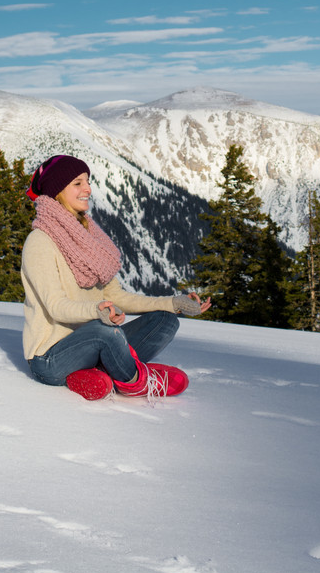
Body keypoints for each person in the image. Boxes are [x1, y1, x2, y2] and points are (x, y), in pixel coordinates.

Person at [21, 154, 211, 401]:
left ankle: (98, 374)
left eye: (87, 181)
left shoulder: (90, 237)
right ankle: (137, 382)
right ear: (57, 191)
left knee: (165, 321)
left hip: (93, 344)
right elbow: (56, 307)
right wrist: (98, 310)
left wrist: (173, 303)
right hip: (50, 358)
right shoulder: (40, 242)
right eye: (77, 183)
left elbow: (117, 296)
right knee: (105, 331)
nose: (87, 189)